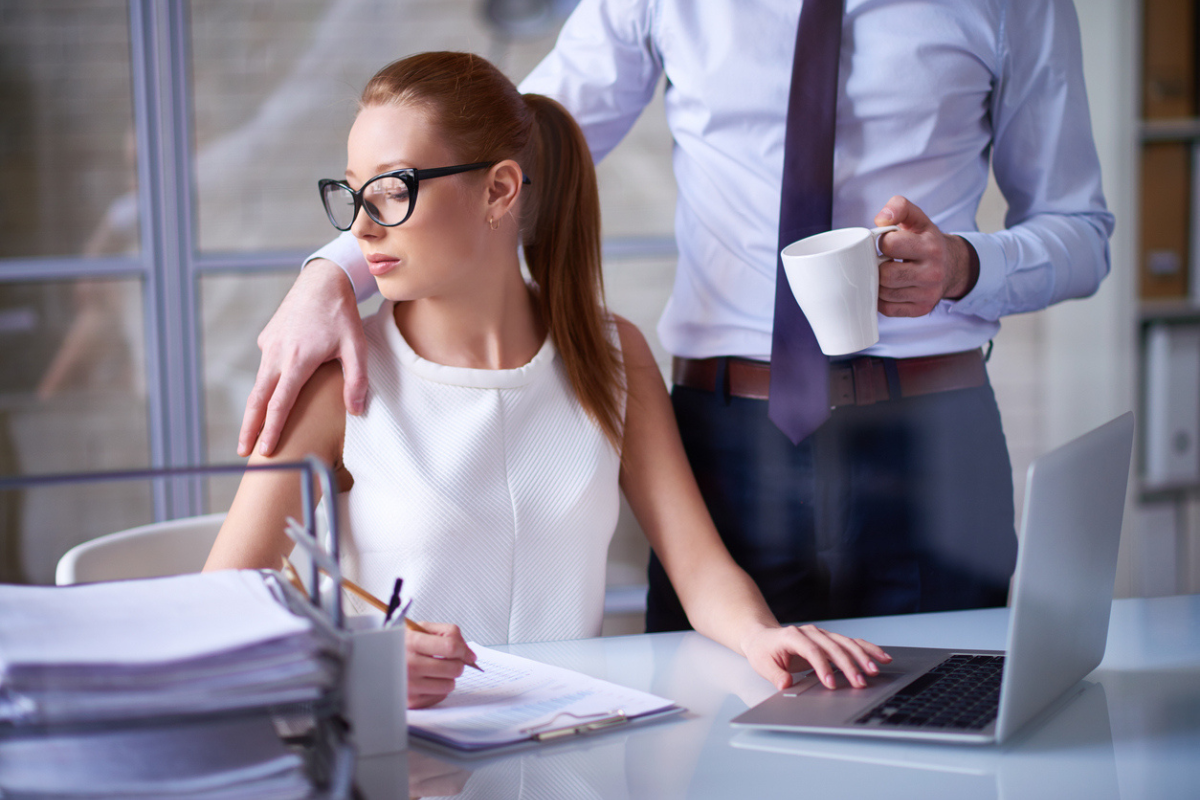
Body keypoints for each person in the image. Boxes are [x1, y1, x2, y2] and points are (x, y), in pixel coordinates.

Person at [237, 1, 1115, 631]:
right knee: (723, 733)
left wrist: (965, 265)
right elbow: (499, 153)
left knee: (955, 718)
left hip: (935, 437)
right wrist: (328, 273)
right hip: (730, 444)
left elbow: (1082, 232)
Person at [203, 51, 889, 708]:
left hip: (579, 747)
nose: (361, 226)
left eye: (391, 190)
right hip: (408, 760)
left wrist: (760, 635)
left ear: (498, 190)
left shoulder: (612, 355)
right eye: (354, 192)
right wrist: (351, 657)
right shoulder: (337, 380)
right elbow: (214, 607)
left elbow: (698, 565)